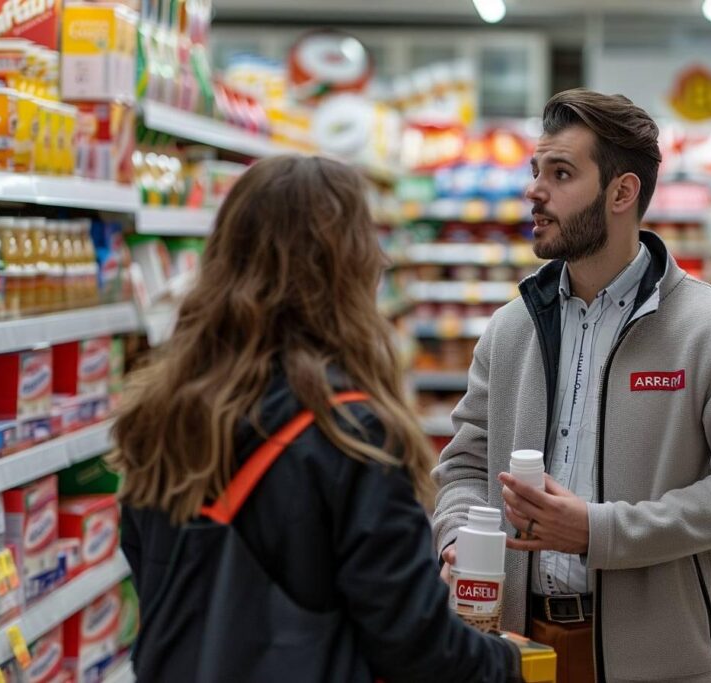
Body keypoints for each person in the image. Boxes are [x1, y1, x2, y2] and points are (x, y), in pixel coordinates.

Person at [111, 155, 522, 682]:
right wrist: (507, 662)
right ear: (346, 269)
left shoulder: (162, 413)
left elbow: (156, 579)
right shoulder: (349, 434)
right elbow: (411, 642)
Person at [432, 89, 711, 683]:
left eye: (562, 173)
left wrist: (600, 532)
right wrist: (459, 536)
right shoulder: (511, 330)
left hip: (660, 664)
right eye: (536, 171)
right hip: (518, 652)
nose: (535, 191)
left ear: (622, 192)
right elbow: (465, 466)